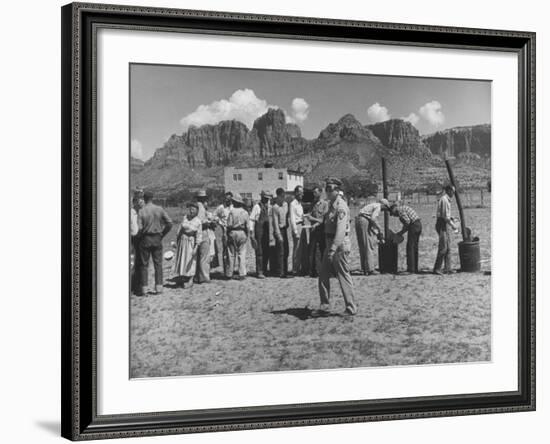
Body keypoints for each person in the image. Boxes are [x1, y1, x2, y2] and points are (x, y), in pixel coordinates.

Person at [318, 178, 358, 315]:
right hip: (330, 243)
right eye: (326, 188)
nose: (327, 191)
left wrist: (333, 248)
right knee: (323, 274)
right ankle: (324, 305)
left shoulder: (341, 207)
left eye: (330, 188)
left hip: (338, 245)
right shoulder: (331, 205)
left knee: (343, 275)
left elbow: (340, 231)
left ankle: (351, 307)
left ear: (337, 190)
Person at [137, 190, 173, 295]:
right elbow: (169, 223)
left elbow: (139, 229)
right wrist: (162, 234)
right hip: (157, 239)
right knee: (158, 264)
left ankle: (144, 289)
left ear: (144, 198)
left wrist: (140, 236)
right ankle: (159, 288)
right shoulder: (159, 209)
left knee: (144, 265)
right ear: (152, 198)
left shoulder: (141, 211)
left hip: (145, 239)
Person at [355, 197, 388, 275]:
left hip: (359, 220)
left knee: (363, 245)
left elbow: (371, 223)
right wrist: (379, 228)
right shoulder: (378, 206)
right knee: (368, 245)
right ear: (384, 205)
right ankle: (370, 269)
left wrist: (377, 233)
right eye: (385, 207)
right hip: (363, 221)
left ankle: (364, 268)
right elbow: (373, 219)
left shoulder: (372, 205)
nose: (384, 210)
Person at [172, 202, 202, 288]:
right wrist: (176, 241)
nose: (191, 211)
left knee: (190, 260)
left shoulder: (198, 221)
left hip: (190, 242)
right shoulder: (185, 218)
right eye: (190, 209)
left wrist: (196, 247)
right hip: (182, 241)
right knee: (181, 259)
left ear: (197, 211)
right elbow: (179, 230)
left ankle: (190, 280)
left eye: (193, 210)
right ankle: (181, 278)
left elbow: (199, 236)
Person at [388, 201, 422, 274]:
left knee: (410, 247)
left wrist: (400, 233)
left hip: (414, 226)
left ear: (394, 209)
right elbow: (407, 223)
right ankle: (415, 268)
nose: (394, 215)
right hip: (418, 225)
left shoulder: (400, 210)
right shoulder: (403, 208)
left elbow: (407, 222)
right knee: (415, 247)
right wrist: (401, 232)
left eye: (392, 213)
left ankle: (411, 269)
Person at [433, 185, 458, 275]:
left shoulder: (446, 200)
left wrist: (451, 218)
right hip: (442, 224)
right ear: (448, 190)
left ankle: (448, 268)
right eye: (452, 191)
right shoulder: (444, 200)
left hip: (445, 223)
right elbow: (444, 217)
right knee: (443, 247)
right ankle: (437, 268)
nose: (453, 194)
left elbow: (446, 215)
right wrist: (453, 225)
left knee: (448, 247)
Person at [249, 190, 274, 278]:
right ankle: (259, 271)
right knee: (259, 251)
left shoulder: (269, 207)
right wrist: (251, 232)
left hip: (267, 231)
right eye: (265, 199)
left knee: (266, 250)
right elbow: (252, 219)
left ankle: (264, 269)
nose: (267, 200)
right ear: (262, 197)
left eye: (268, 199)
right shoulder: (256, 207)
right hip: (259, 231)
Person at [305, 186, 328, 277]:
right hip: (313, 231)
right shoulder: (313, 204)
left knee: (321, 250)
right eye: (313, 192)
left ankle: (322, 270)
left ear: (320, 193)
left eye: (315, 192)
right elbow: (310, 215)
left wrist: (313, 219)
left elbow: (323, 219)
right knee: (312, 250)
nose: (314, 194)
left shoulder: (325, 204)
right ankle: (312, 271)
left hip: (321, 230)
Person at [226, 195, 250, 280]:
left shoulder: (232, 212)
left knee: (231, 253)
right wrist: (247, 235)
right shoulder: (245, 212)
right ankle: (242, 273)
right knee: (242, 253)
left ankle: (229, 273)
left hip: (233, 232)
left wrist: (228, 234)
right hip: (242, 232)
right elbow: (248, 226)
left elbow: (228, 224)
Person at [195, 190, 213, 284]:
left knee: (197, 256)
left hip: (196, 233)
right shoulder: (201, 207)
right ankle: (204, 277)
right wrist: (209, 223)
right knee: (204, 256)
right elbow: (201, 222)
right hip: (202, 232)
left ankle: (197, 276)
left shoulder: (195, 206)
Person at [272, 187, 291, 278]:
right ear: (278, 196)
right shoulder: (275, 207)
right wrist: (278, 235)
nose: (283, 198)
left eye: (284, 196)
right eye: (281, 196)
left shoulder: (286, 205)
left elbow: (287, 216)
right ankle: (281, 271)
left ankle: (286, 270)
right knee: (280, 251)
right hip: (279, 230)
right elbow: (275, 222)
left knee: (286, 251)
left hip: (285, 230)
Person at [215, 191, 233, 275]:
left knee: (232, 250)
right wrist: (220, 222)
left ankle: (231, 269)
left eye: (229, 199)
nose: (228, 200)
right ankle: (225, 270)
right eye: (226, 199)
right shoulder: (221, 207)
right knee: (225, 250)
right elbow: (214, 215)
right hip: (224, 230)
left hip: (233, 230)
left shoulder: (233, 207)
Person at [289, 185, 305, 275]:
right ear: (296, 193)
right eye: (300, 192)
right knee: (297, 249)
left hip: (302, 226)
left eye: (302, 192)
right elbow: (292, 219)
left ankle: (299, 267)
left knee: (301, 249)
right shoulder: (293, 204)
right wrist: (295, 231)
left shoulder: (299, 204)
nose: (302, 194)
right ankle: (295, 269)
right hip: (297, 227)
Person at [130, 190, 144, 294]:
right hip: (132, 240)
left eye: (142, 201)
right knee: (132, 263)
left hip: (141, 240)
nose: (141, 203)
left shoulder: (142, 213)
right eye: (139, 201)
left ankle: (137, 286)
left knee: (140, 263)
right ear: (134, 202)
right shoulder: (130, 213)